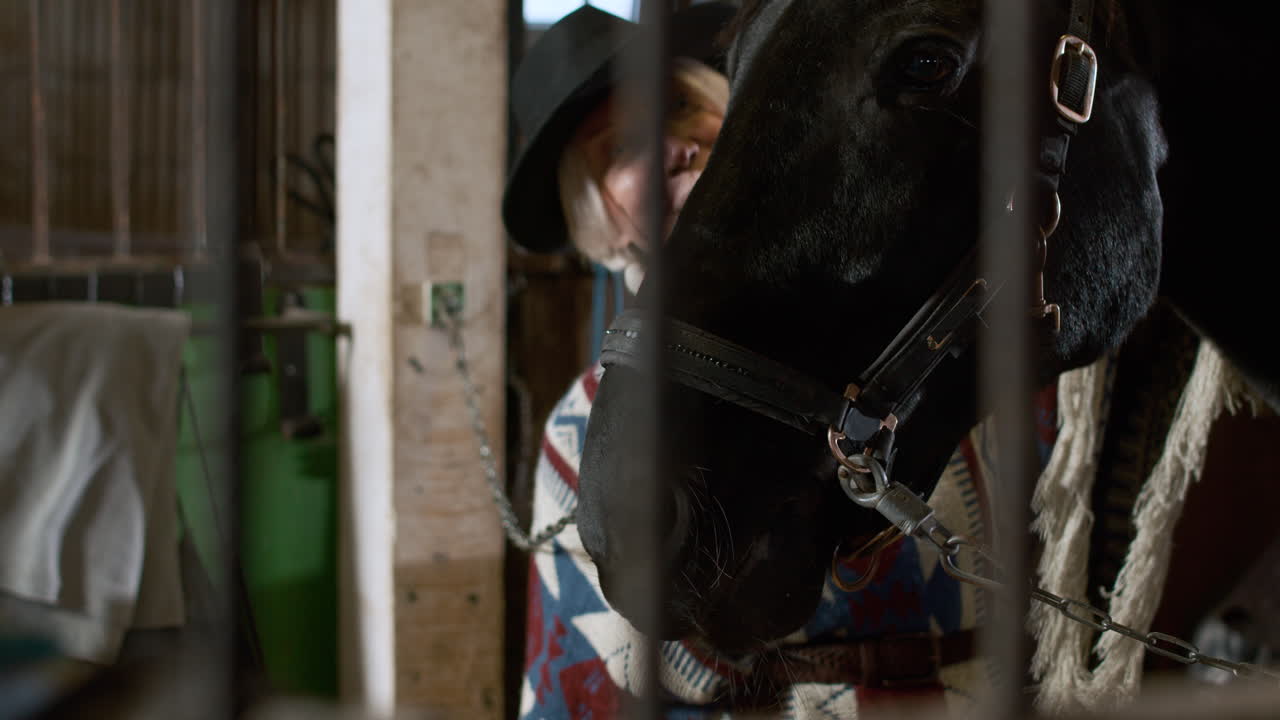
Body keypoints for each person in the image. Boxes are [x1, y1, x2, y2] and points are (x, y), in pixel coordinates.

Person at [503, 5, 1000, 718]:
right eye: (620, 147)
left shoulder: (913, 339)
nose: (671, 144)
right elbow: (586, 691)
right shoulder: (586, 428)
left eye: (678, 106)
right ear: (598, 216)